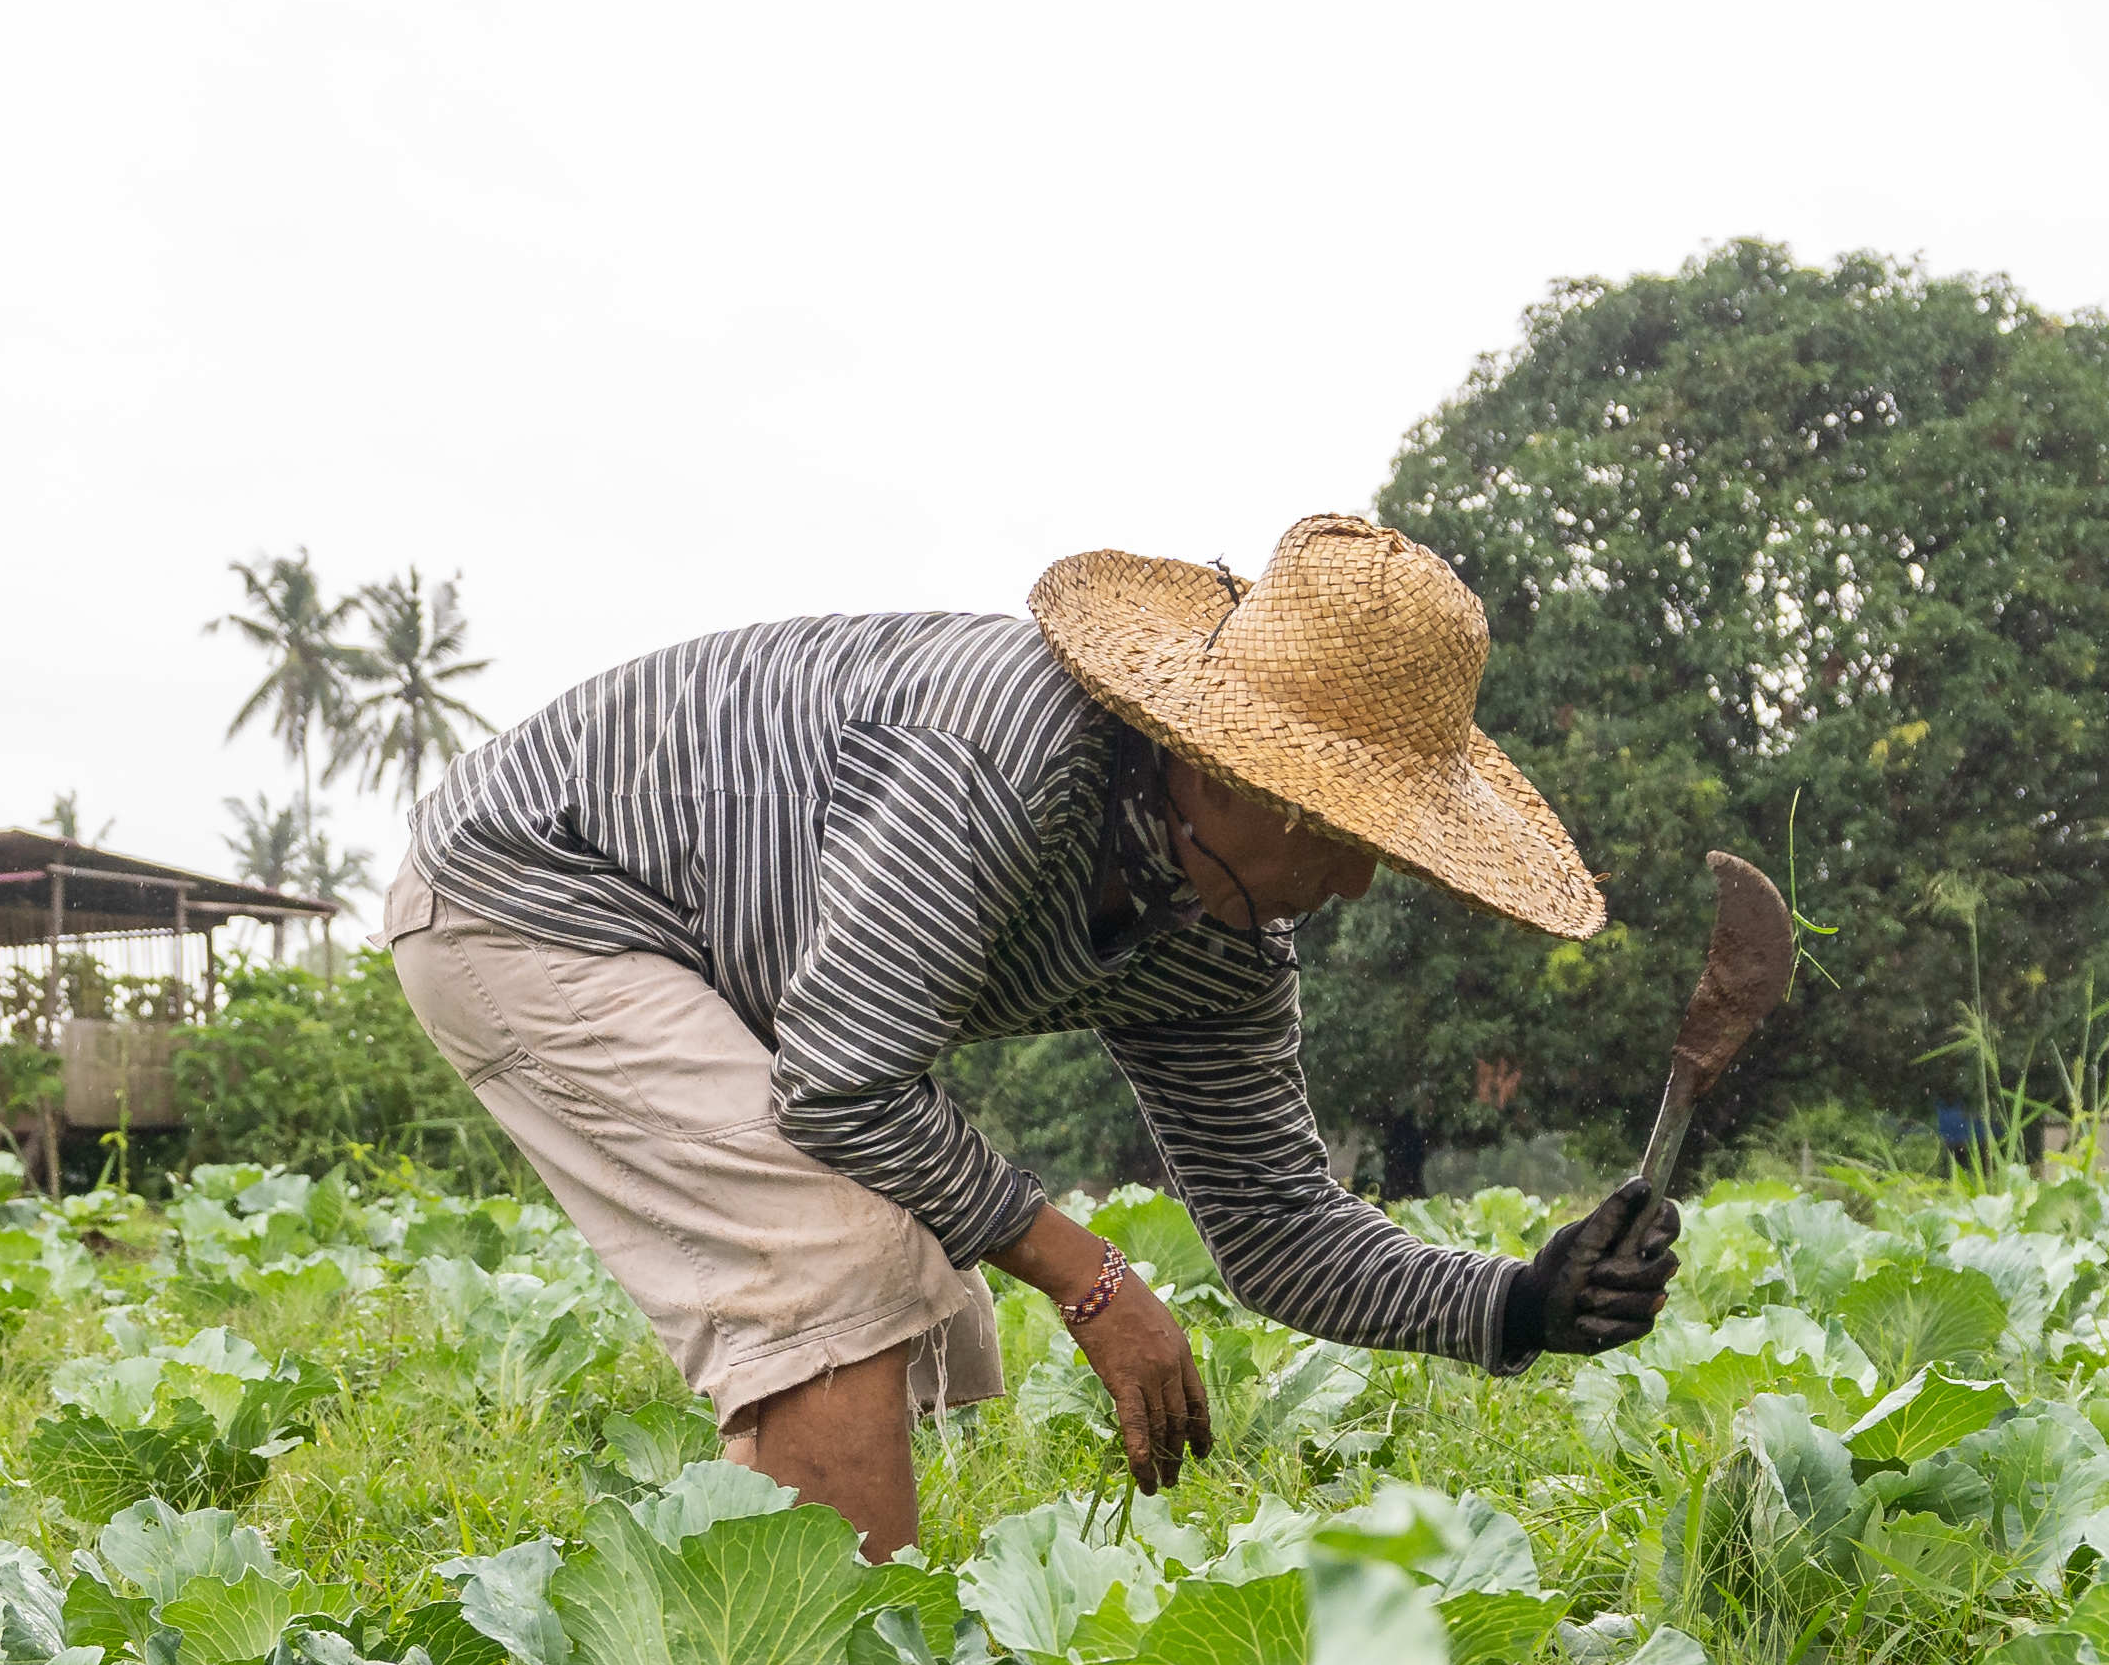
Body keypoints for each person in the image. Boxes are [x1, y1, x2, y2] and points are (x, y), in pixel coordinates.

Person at [382, 512, 1792, 1553]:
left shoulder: (1220, 936)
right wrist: (1092, 1281)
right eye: (1340, 824)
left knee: (912, 1291)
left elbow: (1279, 1227)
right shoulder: (1000, 757)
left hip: (713, 958)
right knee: (844, 1261)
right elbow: (845, 1085)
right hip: (532, 894)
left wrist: (1517, 1303)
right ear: (1221, 768)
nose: (1361, 876)